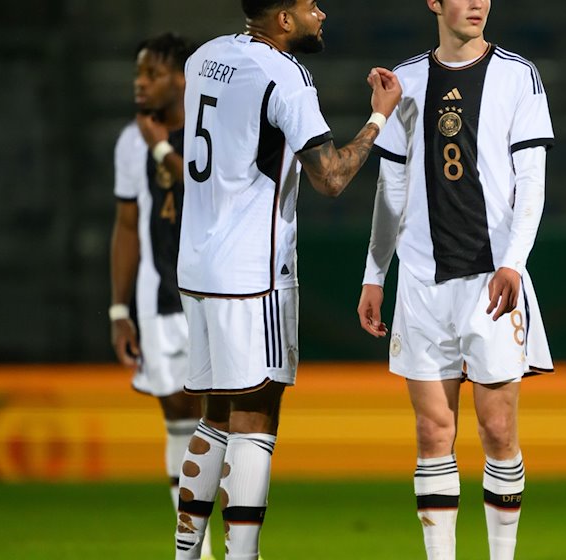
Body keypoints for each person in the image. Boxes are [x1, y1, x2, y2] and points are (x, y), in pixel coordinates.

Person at [172, 1, 401, 559]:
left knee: (215, 416)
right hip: (252, 272)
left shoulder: (205, 58)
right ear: (282, 18)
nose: (321, 14)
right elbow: (331, 177)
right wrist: (379, 118)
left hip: (197, 267)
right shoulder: (284, 74)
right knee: (256, 415)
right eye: (309, 6)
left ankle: (184, 554)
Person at [356, 1, 554, 558]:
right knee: (431, 434)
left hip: (492, 280)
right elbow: (391, 189)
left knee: (497, 431)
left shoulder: (519, 76)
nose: (477, 4)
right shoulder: (407, 81)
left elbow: (531, 182)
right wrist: (376, 274)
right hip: (421, 282)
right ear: (434, 3)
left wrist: (513, 260)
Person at [109, 32, 218, 560]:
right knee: (177, 412)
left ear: (182, 78)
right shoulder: (130, 142)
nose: (140, 84)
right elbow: (127, 223)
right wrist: (118, 309)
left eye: (151, 74)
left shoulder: (209, 125)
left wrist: (158, 144)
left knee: (220, 416)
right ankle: (191, 548)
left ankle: (234, 541)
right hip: (159, 297)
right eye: (138, 74)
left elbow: (206, 191)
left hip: (218, 291)